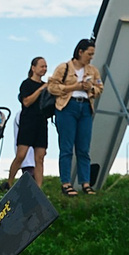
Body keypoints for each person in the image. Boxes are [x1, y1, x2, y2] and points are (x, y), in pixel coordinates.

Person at [45, 37, 103, 195]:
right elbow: (52, 86)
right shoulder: (64, 67)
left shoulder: (93, 70)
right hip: (67, 106)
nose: (91, 57)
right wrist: (74, 86)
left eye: (92, 54)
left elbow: (100, 88)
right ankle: (66, 183)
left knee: (84, 148)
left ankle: (85, 183)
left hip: (85, 107)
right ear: (80, 52)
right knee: (66, 147)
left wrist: (90, 89)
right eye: (89, 54)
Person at [10, 55, 53, 182]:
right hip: (28, 122)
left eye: (45, 67)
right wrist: (40, 90)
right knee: (21, 155)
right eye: (41, 66)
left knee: (40, 157)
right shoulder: (26, 84)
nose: (44, 69)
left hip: (41, 122)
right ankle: (10, 181)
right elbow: (26, 102)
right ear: (33, 68)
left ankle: (38, 187)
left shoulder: (47, 86)